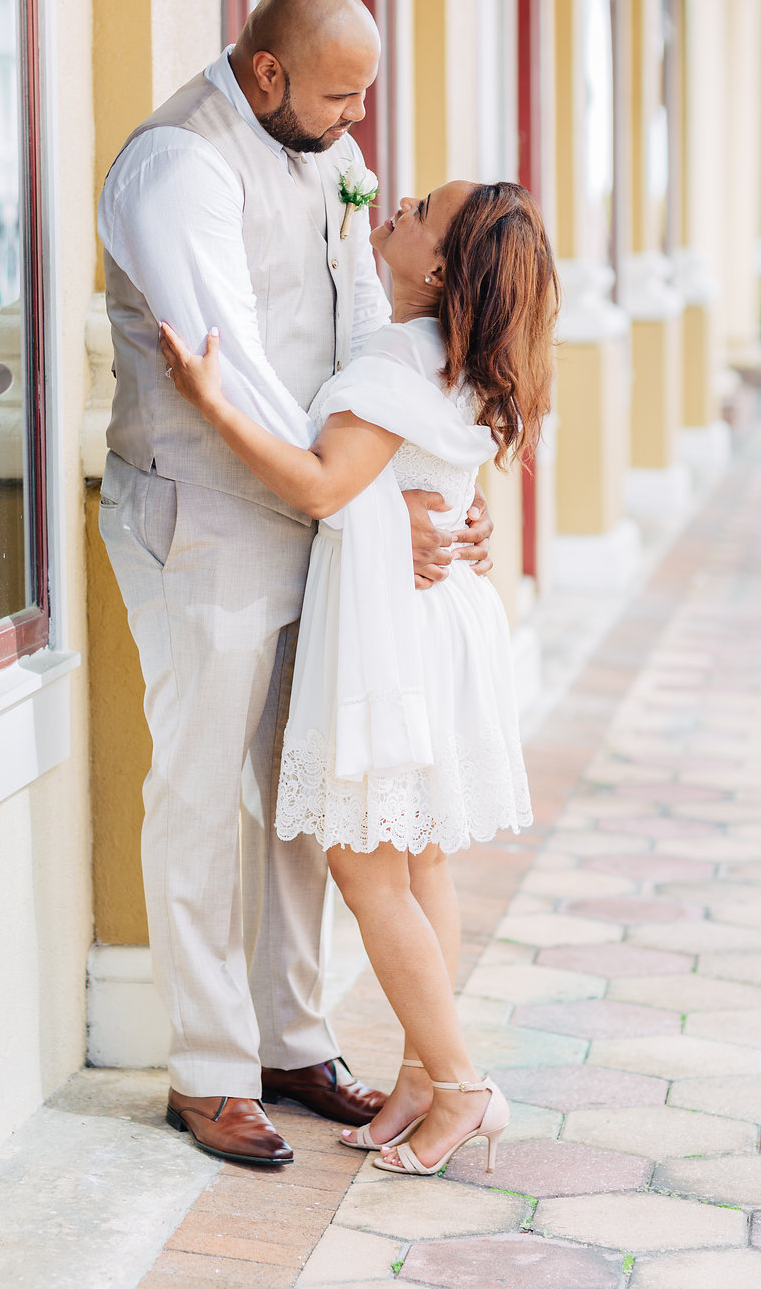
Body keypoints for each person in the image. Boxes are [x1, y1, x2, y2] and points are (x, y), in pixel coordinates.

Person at [97, 0, 494, 1165]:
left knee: (302, 792)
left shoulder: (317, 147)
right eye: (339, 97)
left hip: (318, 523)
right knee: (204, 790)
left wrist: (433, 494)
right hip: (208, 519)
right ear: (266, 73)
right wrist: (369, 506)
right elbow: (231, 366)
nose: (356, 126)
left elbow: (369, 329)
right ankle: (210, 1068)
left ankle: (290, 1036)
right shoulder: (180, 166)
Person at [160, 178, 558, 1177]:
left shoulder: (392, 362)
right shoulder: (453, 356)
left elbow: (323, 484)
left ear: (435, 270)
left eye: (422, 210)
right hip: (438, 623)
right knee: (419, 860)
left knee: (365, 862)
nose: (405, 199)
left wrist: (212, 404)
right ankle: (426, 1072)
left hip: (393, 632)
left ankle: (463, 1088)